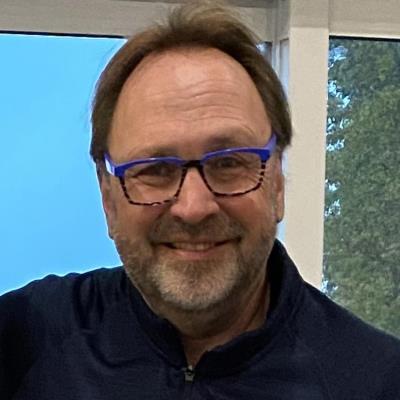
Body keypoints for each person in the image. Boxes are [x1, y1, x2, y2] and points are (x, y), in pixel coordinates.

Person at [1, 1, 399, 399]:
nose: (193, 208)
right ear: (108, 198)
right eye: (155, 169)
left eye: (229, 163)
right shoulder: (27, 344)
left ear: (277, 182)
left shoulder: (377, 381)